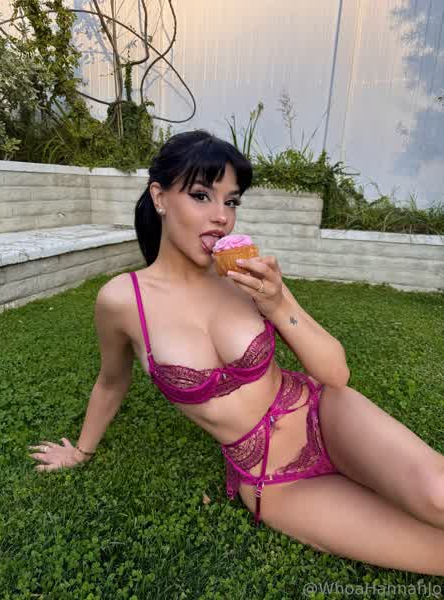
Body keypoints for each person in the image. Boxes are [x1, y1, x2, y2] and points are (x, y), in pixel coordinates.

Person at [28, 130, 444, 575]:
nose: (221, 216)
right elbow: (112, 382)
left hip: (323, 414)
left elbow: (336, 374)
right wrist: (81, 451)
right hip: (270, 477)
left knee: (438, 495)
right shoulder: (122, 300)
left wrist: (278, 303)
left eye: (231, 201)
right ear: (160, 197)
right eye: (201, 195)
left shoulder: (245, 277)